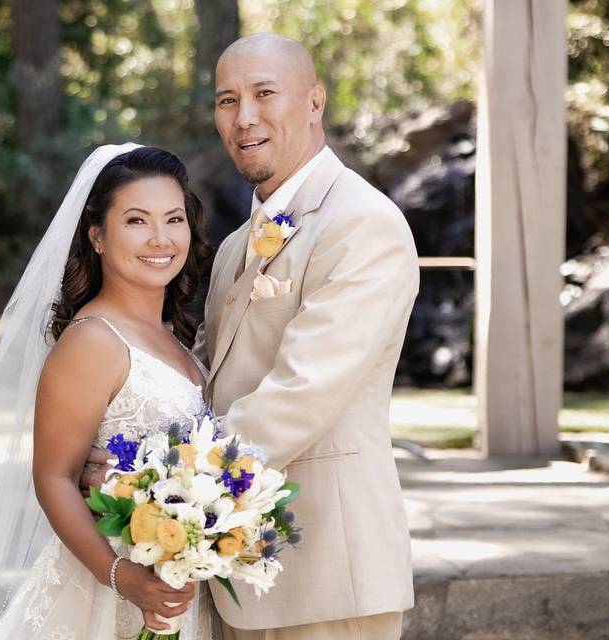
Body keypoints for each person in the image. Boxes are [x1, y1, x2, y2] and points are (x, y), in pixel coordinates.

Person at [0, 144, 215, 639]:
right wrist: (122, 577)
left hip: (176, 586)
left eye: (173, 219)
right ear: (97, 236)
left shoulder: (174, 339)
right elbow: (54, 478)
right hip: (108, 595)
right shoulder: (93, 340)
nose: (160, 238)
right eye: (136, 221)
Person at [199, 33, 419, 640]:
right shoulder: (233, 248)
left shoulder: (362, 223)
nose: (245, 118)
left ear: (315, 103)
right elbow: (207, 377)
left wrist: (174, 490)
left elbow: (302, 392)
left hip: (329, 576)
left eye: (265, 94)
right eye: (227, 100)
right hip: (238, 573)